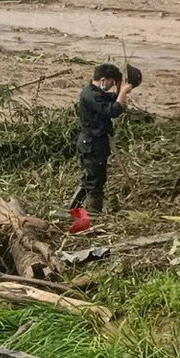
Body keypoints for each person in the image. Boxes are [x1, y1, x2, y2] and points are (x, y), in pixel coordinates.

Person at [69, 64, 132, 232]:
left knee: (89, 180)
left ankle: (72, 212)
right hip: (92, 144)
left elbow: (112, 99)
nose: (111, 86)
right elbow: (113, 110)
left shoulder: (96, 93)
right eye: (111, 83)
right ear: (103, 80)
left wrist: (121, 88)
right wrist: (123, 93)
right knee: (95, 184)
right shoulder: (90, 95)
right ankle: (91, 219)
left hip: (95, 143)